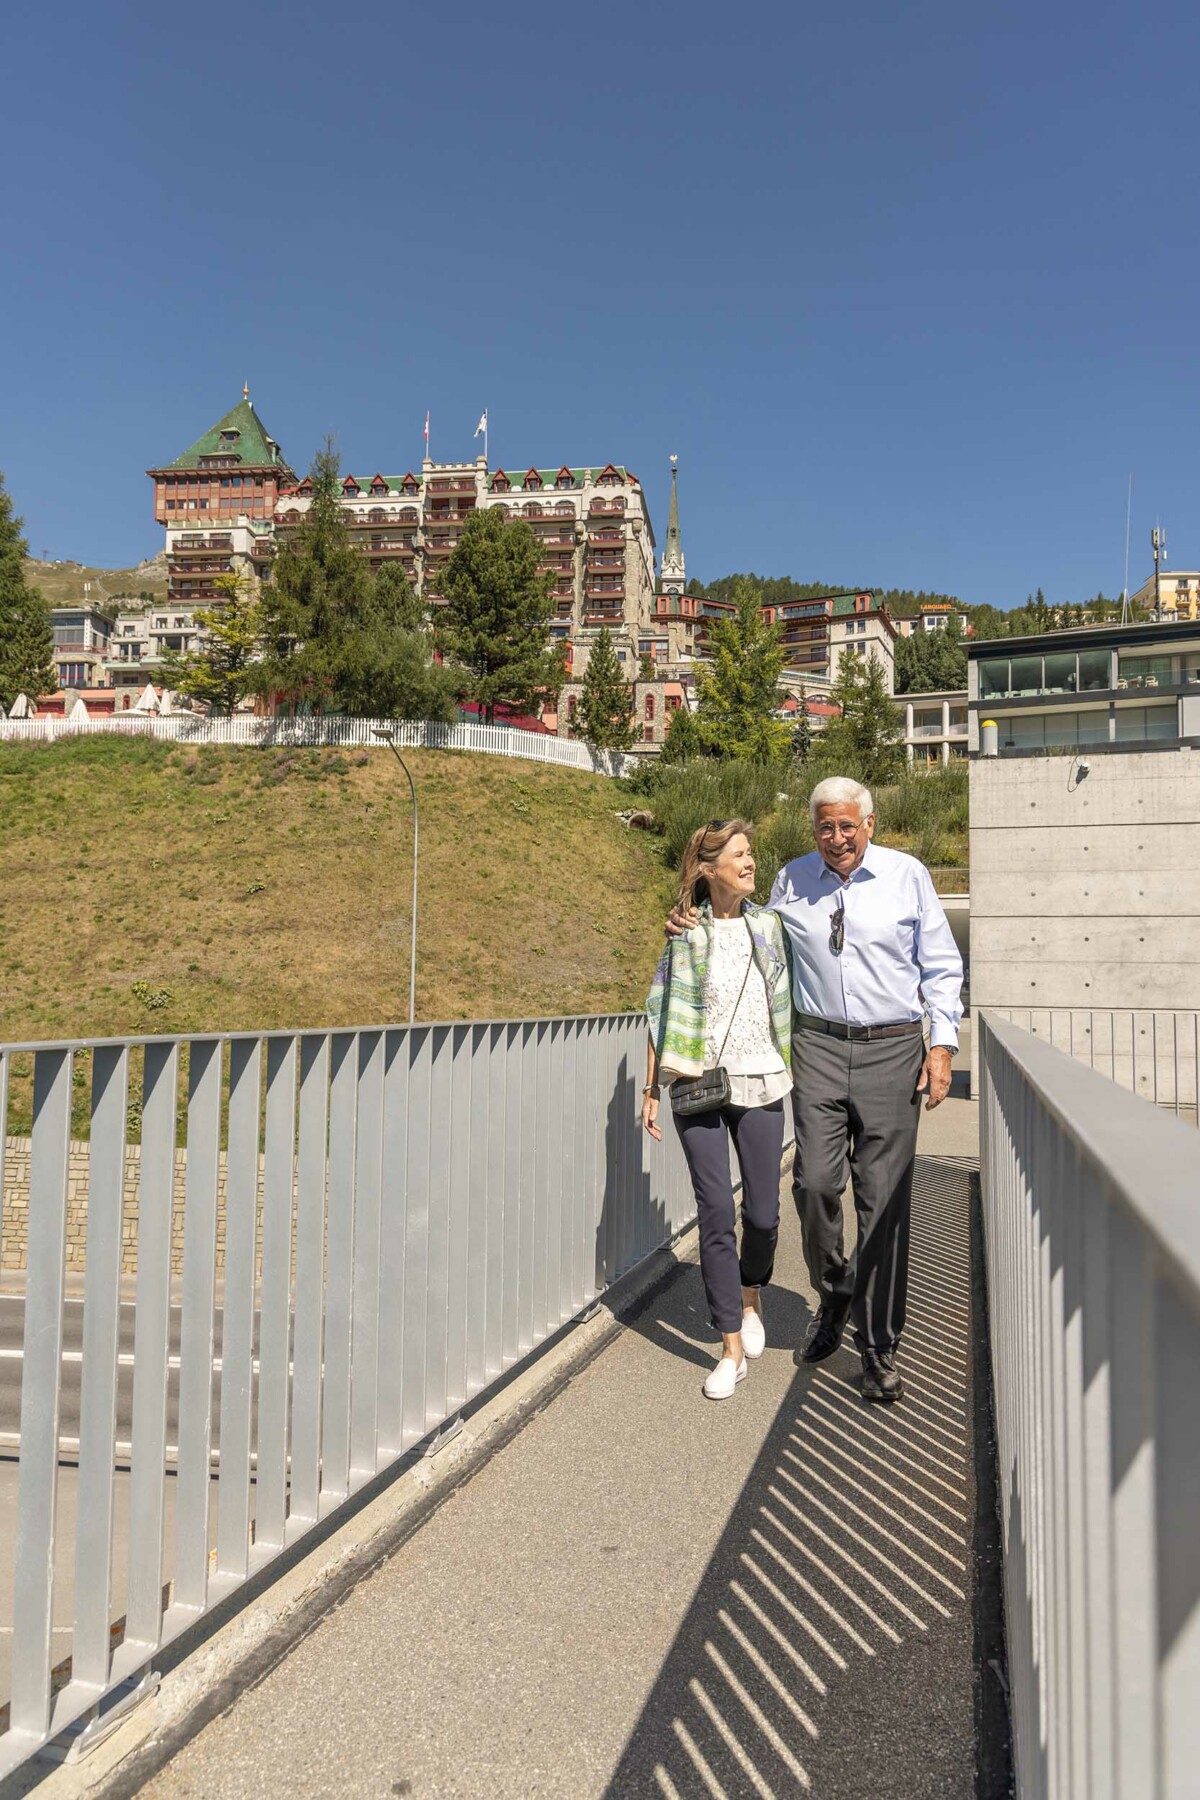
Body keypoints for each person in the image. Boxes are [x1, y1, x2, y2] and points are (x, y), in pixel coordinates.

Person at [668, 776, 963, 1404]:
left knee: (882, 1202)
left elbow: (940, 965)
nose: (836, 839)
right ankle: (836, 1293)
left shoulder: (908, 876)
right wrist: (687, 915)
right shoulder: (792, 880)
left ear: (870, 824)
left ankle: (879, 1347)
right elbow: (746, 934)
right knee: (814, 1184)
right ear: (814, 831)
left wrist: (941, 1045)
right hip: (820, 1047)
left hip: (893, 1048)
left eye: (847, 826)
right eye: (825, 828)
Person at [643, 820, 793, 1401]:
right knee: (714, 1213)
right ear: (709, 868)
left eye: (751, 852)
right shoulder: (684, 934)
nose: (751, 862)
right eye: (739, 854)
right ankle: (729, 1346)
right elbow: (659, 1007)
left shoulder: (772, 927)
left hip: (760, 1076)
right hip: (697, 1082)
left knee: (761, 1212)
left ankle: (752, 1293)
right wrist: (652, 1087)